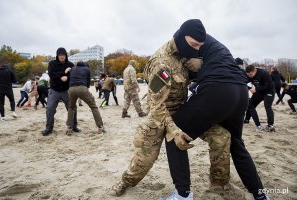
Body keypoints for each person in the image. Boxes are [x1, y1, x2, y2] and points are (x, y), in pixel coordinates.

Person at [109, 19, 231, 198]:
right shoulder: (162, 64)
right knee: (144, 159)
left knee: (222, 137)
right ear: (181, 38)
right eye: (194, 45)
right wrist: (173, 131)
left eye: (200, 46)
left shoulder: (185, 53)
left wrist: (200, 66)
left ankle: (219, 185)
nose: (197, 50)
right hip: (160, 115)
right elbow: (156, 105)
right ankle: (126, 181)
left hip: (183, 111)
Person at [160, 20, 269, 200]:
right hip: (240, 92)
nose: (195, 46)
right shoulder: (214, 45)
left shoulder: (188, 42)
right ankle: (260, 194)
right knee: (236, 143)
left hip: (218, 90)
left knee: (174, 133)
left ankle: (182, 194)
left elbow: (187, 70)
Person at [42, 47, 81, 136]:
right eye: (60, 55)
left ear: (66, 55)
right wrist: (63, 74)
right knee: (50, 108)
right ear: (57, 56)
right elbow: (51, 74)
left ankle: (74, 126)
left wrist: (68, 77)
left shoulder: (70, 64)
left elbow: (74, 75)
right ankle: (49, 128)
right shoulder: (52, 63)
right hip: (54, 90)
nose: (62, 57)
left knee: (72, 108)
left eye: (63, 55)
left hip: (67, 90)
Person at [66, 61, 104, 135]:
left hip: (71, 89)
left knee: (71, 107)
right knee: (93, 107)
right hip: (82, 88)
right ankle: (100, 127)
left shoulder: (73, 68)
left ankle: (69, 128)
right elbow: (88, 82)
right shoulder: (87, 69)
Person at [244, 65, 275, 132]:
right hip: (259, 92)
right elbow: (247, 82)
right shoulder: (248, 75)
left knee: (267, 106)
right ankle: (246, 119)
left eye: (250, 74)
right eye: (248, 75)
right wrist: (250, 88)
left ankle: (271, 125)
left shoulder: (264, 73)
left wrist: (256, 89)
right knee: (251, 104)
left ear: (255, 70)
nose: (249, 76)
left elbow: (269, 85)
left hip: (269, 91)